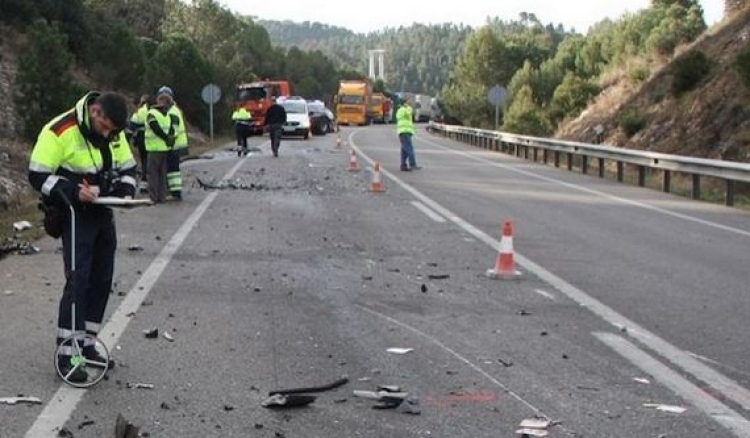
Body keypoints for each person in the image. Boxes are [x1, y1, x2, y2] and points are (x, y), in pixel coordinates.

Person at [28, 91, 137, 382]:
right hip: (74, 214)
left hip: (103, 211)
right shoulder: (60, 130)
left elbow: (128, 167)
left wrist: (126, 192)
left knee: (102, 279)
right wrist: (73, 191)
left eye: (112, 131)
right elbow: (37, 174)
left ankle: (88, 344)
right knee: (79, 281)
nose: (108, 134)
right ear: (95, 111)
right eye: (105, 127)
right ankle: (68, 354)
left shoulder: (112, 131)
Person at [145, 92, 178, 203]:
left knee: (153, 173)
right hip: (164, 148)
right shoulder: (167, 114)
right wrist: (168, 139)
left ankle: (153, 197)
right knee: (162, 174)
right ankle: (162, 196)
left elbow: (155, 128)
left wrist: (164, 137)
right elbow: (170, 130)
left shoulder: (152, 113)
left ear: (159, 101)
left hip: (154, 149)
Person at [157, 86, 187, 200]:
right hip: (174, 144)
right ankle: (174, 191)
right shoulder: (172, 110)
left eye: (165, 99)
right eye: (161, 98)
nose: (163, 101)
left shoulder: (173, 111)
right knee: (172, 169)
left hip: (175, 145)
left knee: (173, 170)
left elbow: (173, 129)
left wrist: (167, 139)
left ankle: (175, 192)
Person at [129, 94, 151, 192]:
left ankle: (144, 184)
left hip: (142, 139)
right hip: (155, 141)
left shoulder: (141, 111)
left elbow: (132, 124)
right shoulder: (155, 110)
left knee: (144, 161)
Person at [396, 97, 419, 171]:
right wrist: (408, 107)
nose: (410, 103)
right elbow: (409, 112)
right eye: (408, 101)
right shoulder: (405, 109)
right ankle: (412, 164)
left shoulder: (400, 110)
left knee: (404, 150)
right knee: (409, 149)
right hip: (405, 131)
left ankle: (403, 166)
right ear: (404, 103)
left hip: (403, 132)